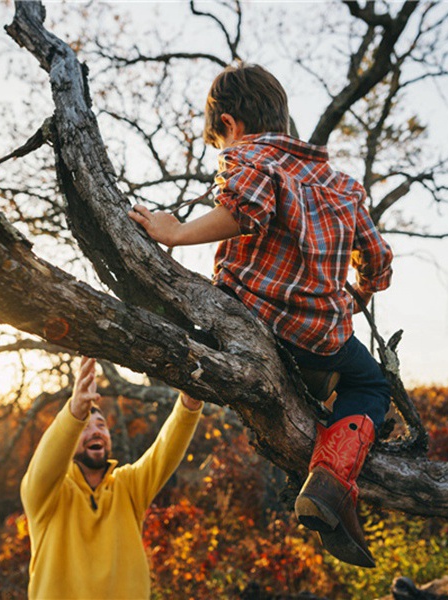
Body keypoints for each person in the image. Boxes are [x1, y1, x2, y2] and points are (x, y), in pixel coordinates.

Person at [128, 62, 393, 568]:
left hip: (249, 320)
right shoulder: (341, 184)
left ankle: (330, 491)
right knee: (369, 387)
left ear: (228, 124)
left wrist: (175, 232)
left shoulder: (247, 155)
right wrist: (360, 292)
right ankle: (333, 484)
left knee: (335, 404)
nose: (221, 153)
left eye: (218, 141)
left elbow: (245, 208)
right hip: (319, 339)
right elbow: (378, 262)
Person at [20, 357, 203, 599]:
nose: (95, 431)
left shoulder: (128, 487)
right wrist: (75, 413)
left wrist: (188, 406)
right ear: (69, 437)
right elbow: (46, 463)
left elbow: (164, 452)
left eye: (101, 425)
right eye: (85, 427)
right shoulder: (47, 495)